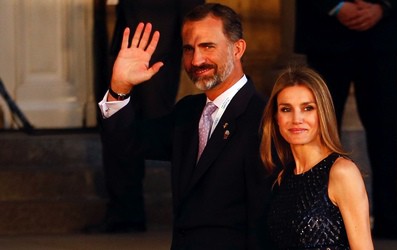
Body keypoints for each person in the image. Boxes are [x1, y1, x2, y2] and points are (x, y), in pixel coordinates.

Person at [98, 3, 273, 249]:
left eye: (207, 47)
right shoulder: (187, 112)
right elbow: (127, 145)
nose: (196, 60)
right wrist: (119, 89)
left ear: (238, 49)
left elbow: (269, 217)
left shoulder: (265, 117)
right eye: (188, 49)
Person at [294, 0, 397, 240]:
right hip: (325, 31)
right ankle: (319, 216)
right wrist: (336, 6)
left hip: (381, 33)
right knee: (320, 129)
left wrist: (382, 6)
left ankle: (388, 215)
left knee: (385, 129)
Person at [88, 0, 204, 234]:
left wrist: (197, 29)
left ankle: (190, 214)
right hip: (133, 22)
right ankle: (125, 212)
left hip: (162, 28)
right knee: (116, 115)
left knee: (158, 125)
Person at [259, 66, 373, 249]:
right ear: (276, 117)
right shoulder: (283, 177)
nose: (297, 119)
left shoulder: (341, 172)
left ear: (323, 113)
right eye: (286, 109)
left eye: (308, 108)